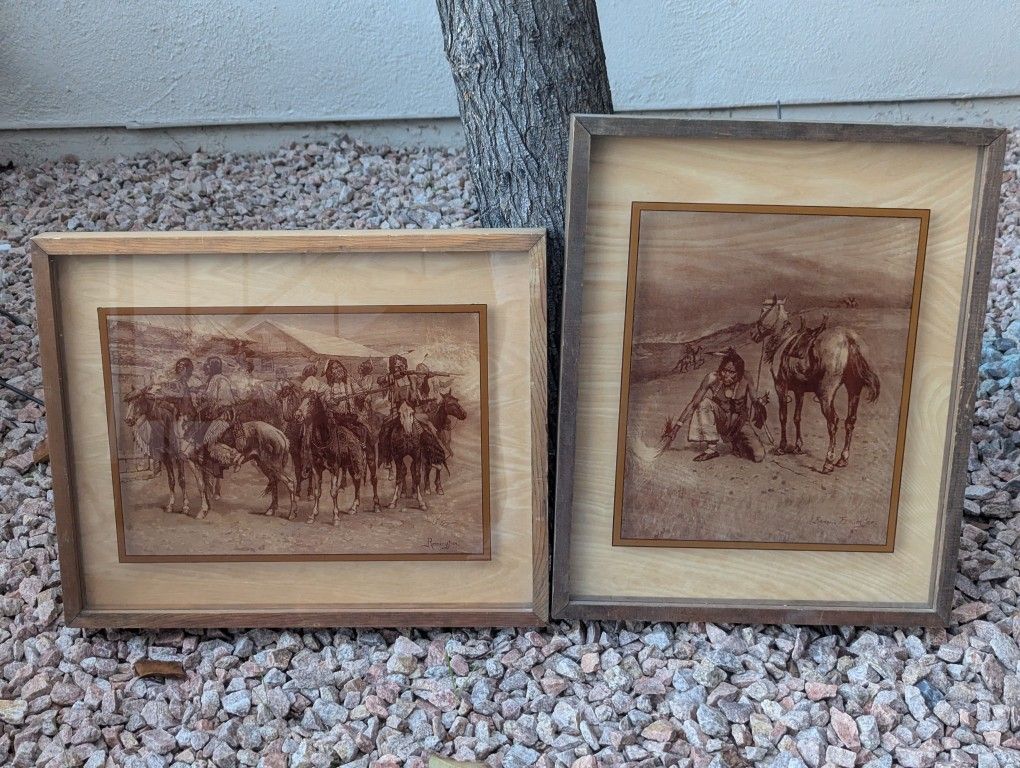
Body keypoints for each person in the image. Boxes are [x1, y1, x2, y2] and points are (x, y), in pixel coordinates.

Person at [673, 348, 767, 463]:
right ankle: (711, 449)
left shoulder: (746, 377)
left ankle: (737, 441)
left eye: (731, 372)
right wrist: (675, 429)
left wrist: (760, 403)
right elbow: (693, 404)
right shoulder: (712, 378)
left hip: (740, 424)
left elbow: (754, 400)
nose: (726, 375)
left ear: (739, 373)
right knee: (704, 404)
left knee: (759, 456)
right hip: (721, 422)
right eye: (724, 370)